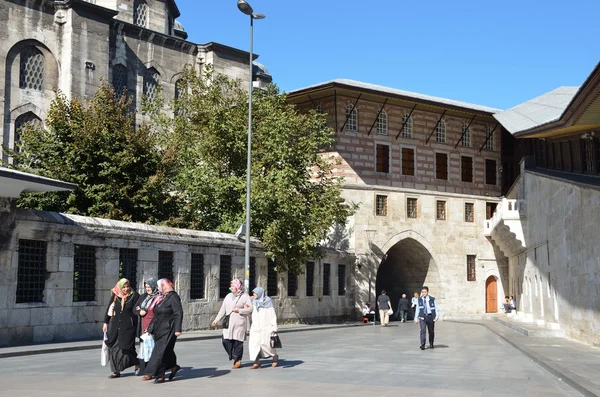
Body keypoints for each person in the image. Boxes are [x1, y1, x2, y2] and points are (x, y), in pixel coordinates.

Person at [143, 279, 183, 384]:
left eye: (158, 286)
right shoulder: (162, 297)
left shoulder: (173, 297)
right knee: (166, 351)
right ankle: (173, 367)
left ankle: (159, 375)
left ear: (164, 285)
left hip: (169, 329)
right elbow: (156, 315)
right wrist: (150, 328)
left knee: (160, 352)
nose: (157, 288)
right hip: (159, 329)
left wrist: (178, 329)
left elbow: (178, 313)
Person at [103, 278, 140, 379]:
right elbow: (109, 309)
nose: (126, 289)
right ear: (120, 287)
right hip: (115, 325)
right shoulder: (116, 296)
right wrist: (105, 322)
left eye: (127, 286)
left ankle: (137, 363)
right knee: (113, 347)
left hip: (129, 326)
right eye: (123, 287)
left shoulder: (134, 296)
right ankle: (116, 371)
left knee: (127, 347)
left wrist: (140, 309)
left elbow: (140, 307)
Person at [211, 279, 253, 369]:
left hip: (240, 323)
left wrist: (240, 310)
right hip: (228, 323)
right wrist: (216, 320)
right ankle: (233, 355)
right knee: (225, 340)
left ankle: (237, 360)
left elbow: (250, 309)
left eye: (233, 286)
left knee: (238, 342)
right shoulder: (228, 296)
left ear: (238, 287)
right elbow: (223, 309)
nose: (231, 288)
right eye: (231, 286)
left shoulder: (245, 296)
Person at [248, 286, 279, 369]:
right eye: (253, 293)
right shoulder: (253, 302)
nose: (254, 294)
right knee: (255, 345)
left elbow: (273, 315)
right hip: (255, 328)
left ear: (260, 293)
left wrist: (274, 327)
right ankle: (256, 362)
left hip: (266, 328)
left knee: (268, 345)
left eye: (255, 293)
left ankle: (275, 357)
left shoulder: (268, 302)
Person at [134, 278, 160, 373]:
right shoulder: (143, 297)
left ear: (154, 286)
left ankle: (153, 370)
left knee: (152, 348)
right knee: (144, 348)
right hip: (143, 326)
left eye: (149, 287)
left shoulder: (158, 297)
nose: (148, 289)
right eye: (146, 287)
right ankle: (145, 370)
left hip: (153, 326)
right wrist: (139, 311)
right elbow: (135, 308)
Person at [414, 286, 439, 350]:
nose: (424, 293)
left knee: (431, 331)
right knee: (422, 331)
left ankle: (431, 343)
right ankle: (422, 344)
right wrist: (416, 318)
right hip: (422, 316)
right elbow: (417, 309)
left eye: (425, 292)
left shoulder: (432, 299)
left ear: (428, 292)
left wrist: (437, 316)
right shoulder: (419, 299)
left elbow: (436, 308)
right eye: (422, 292)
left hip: (430, 316)